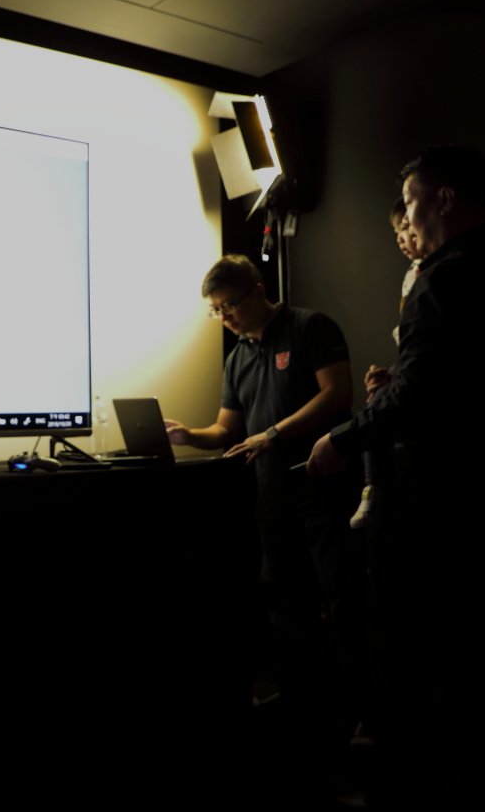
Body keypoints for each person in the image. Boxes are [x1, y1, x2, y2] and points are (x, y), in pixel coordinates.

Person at [307, 146, 485, 799]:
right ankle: (464, 772)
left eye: (411, 201)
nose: (406, 215)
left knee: (404, 630)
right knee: (467, 631)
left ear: (443, 198)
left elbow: (417, 394)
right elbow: (462, 380)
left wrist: (341, 436)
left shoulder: (443, 279)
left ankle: (401, 777)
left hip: (427, 488)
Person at [164, 254, 362, 721]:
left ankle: (361, 709)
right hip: (272, 503)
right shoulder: (237, 358)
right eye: (216, 310)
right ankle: (302, 701)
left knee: (343, 599)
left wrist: (273, 433)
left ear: (257, 289)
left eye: (230, 305)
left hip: (324, 492)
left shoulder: (309, 327)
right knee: (285, 606)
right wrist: (187, 435)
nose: (225, 317)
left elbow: (337, 393)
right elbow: (226, 430)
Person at [348, 198, 423, 530]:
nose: (401, 238)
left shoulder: (445, 270)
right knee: (376, 399)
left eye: (406, 228)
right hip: (411, 366)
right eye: (397, 232)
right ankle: (371, 486)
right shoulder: (411, 276)